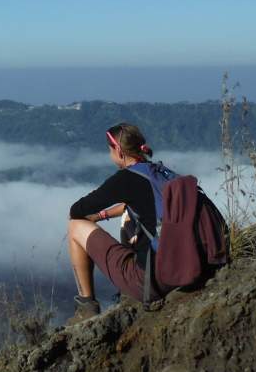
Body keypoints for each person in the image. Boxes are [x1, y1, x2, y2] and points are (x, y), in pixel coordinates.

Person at [65, 123, 177, 324]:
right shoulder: (161, 172)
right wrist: (102, 216)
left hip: (150, 281)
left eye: (109, 149)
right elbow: (138, 203)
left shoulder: (125, 179)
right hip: (181, 266)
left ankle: (86, 306)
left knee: (75, 225)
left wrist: (92, 216)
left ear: (118, 150)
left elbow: (77, 210)